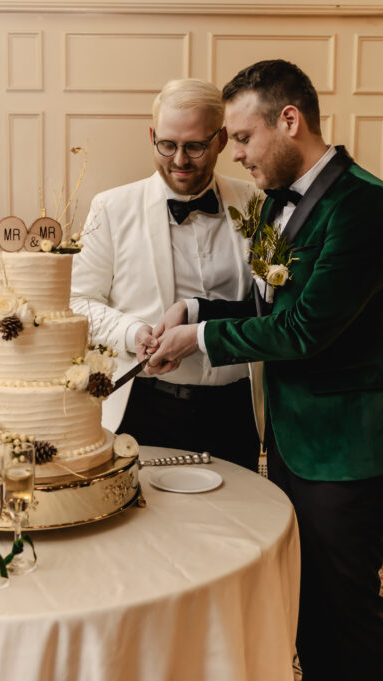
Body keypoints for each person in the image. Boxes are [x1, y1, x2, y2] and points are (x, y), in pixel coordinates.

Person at [146, 60, 383, 680]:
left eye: (242, 137)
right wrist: (194, 307)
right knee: (307, 597)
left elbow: (304, 329)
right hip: (292, 437)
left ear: (289, 120)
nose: (232, 153)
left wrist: (198, 337)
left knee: (347, 604)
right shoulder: (278, 205)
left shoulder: (364, 207)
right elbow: (276, 303)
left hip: (347, 439)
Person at [70, 78, 261, 471]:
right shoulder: (111, 207)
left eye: (195, 146)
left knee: (237, 526)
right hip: (145, 406)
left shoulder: (257, 202)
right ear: (153, 135)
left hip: (238, 409)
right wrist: (132, 333)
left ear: (222, 139)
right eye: (167, 145)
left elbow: (269, 304)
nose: (179, 160)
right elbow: (77, 302)